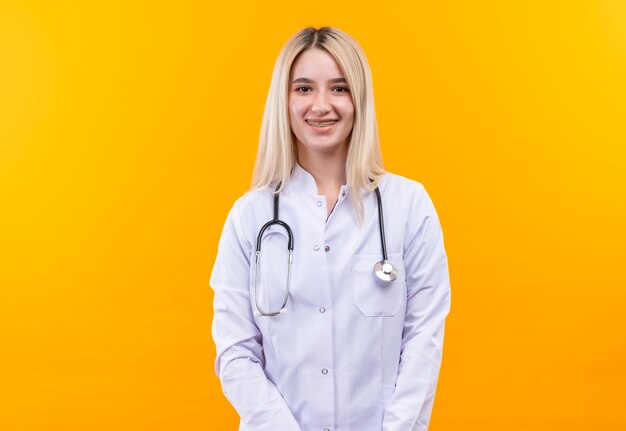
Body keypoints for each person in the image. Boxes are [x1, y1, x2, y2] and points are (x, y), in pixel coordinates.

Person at [210, 26, 451, 431]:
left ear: (359, 99)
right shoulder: (248, 218)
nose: (321, 105)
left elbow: (423, 341)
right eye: (303, 88)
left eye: (339, 88)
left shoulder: (409, 207)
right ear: (283, 101)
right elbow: (236, 353)